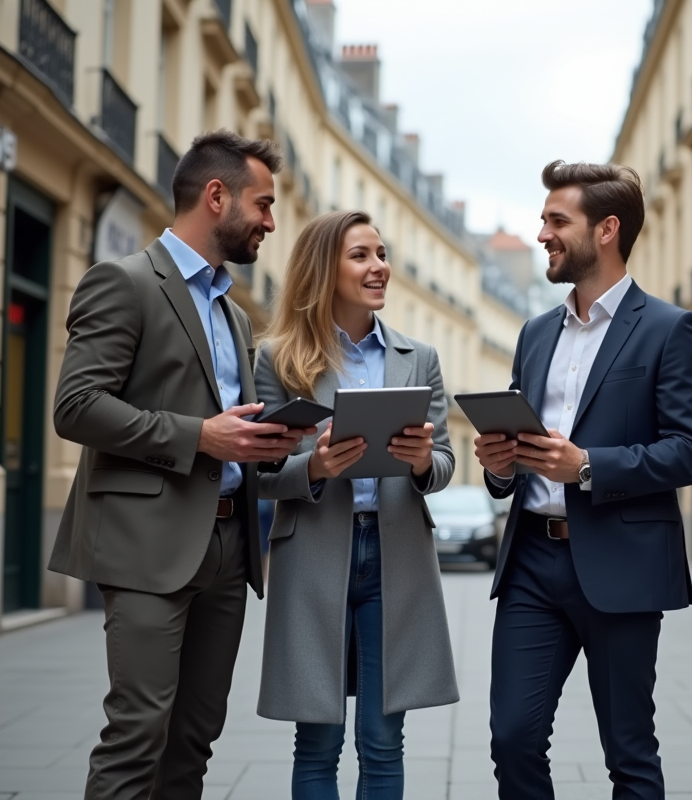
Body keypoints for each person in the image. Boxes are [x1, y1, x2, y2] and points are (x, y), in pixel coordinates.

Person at [49, 130, 306, 800]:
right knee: (137, 735)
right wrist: (201, 437)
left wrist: (272, 441)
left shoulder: (234, 315)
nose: (270, 223)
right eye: (263, 204)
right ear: (217, 196)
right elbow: (76, 407)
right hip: (147, 544)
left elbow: (228, 431)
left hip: (228, 548)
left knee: (194, 739)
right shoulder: (125, 282)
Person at [474, 161, 692, 800]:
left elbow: (691, 452)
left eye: (558, 221)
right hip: (531, 562)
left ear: (607, 230)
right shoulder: (535, 334)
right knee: (512, 739)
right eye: (543, 220)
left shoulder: (670, 329)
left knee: (629, 752)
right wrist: (500, 465)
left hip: (621, 563)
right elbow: (520, 449)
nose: (542, 234)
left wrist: (587, 466)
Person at [253, 210, 459, 800]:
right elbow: (260, 472)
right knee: (317, 740)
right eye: (361, 255)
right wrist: (315, 468)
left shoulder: (419, 358)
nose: (379, 267)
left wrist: (421, 462)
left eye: (382, 254)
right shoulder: (279, 358)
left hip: (396, 555)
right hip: (313, 554)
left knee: (383, 739)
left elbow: (445, 462)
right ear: (325, 268)